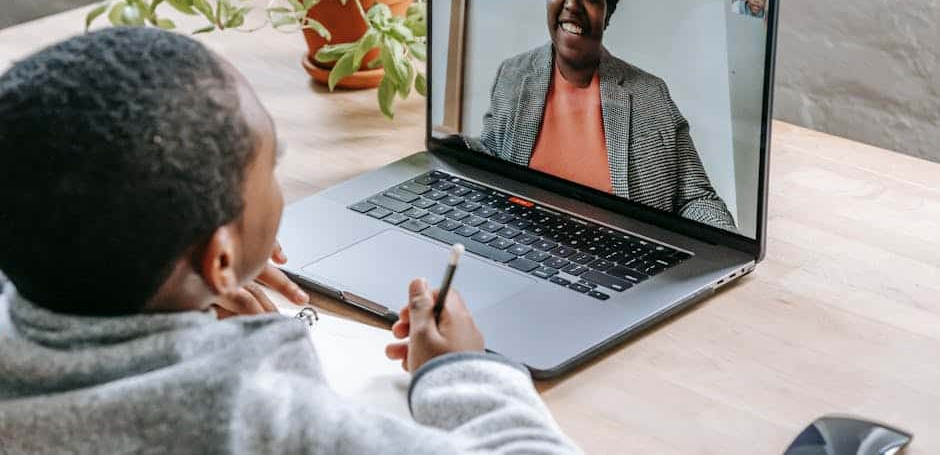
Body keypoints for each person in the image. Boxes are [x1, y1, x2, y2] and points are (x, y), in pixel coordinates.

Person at [0, 27, 579, 454]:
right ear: (220, 258)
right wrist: (456, 373)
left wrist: (194, 289)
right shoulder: (255, 421)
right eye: (270, 165)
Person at [474, 0, 736, 231]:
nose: (571, 3)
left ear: (608, 10)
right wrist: (453, 150)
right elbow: (489, 159)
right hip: (518, 250)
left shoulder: (649, 95)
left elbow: (697, 200)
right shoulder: (514, 74)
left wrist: (716, 255)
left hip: (615, 267)